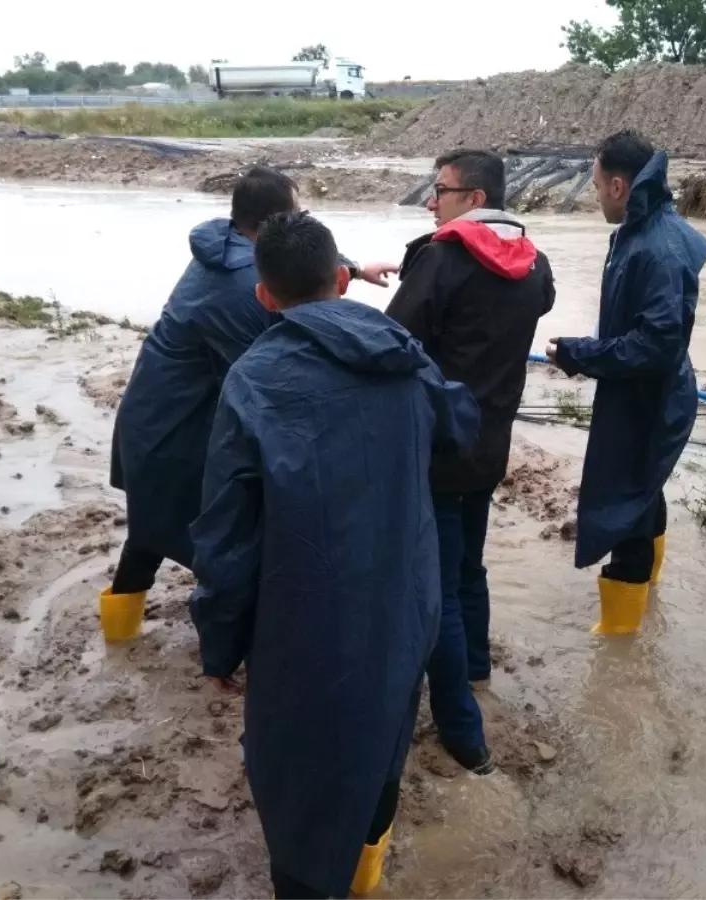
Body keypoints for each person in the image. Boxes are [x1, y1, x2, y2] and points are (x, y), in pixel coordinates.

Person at [188, 212, 480, 899]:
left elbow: (224, 536)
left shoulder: (254, 378)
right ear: (343, 281)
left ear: (264, 297)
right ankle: (363, 870)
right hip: (405, 603)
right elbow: (460, 424)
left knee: (296, 773)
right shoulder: (402, 351)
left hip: (304, 619)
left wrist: (219, 646)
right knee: (383, 738)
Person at [105, 167, 397, 623]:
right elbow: (277, 382)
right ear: (273, 221)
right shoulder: (243, 289)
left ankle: (119, 637)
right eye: (299, 212)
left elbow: (296, 258)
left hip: (158, 415)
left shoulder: (226, 243)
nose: (302, 219)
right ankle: (229, 640)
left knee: (151, 527)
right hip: (175, 430)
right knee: (212, 541)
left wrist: (353, 269)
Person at [386, 149, 555, 773]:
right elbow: (539, 303)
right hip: (490, 443)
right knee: (469, 567)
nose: (432, 201)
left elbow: (394, 340)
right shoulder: (535, 264)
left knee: (440, 589)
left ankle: (463, 732)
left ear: (476, 199)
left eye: (443, 190)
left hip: (436, 446)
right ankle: (477, 670)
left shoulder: (444, 259)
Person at [546, 131, 706, 635]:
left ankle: (619, 634)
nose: (595, 196)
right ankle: (647, 595)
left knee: (627, 501)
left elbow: (655, 345)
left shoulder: (654, 246)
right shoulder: (646, 227)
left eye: (596, 187)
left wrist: (581, 353)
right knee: (643, 487)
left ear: (619, 186)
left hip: (649, 395)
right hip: (646, 390)